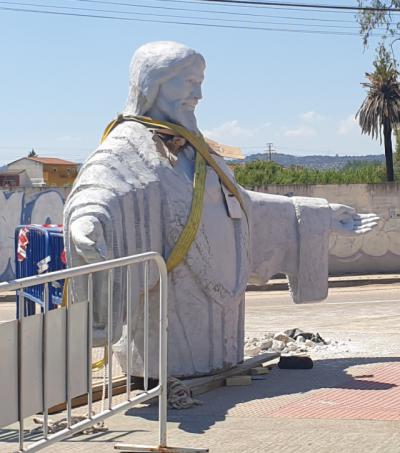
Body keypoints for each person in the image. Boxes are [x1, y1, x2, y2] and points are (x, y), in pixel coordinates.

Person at [64, 41, 378, 378]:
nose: (198, 94)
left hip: (220, 309)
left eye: (200, 82)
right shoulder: (127, 146)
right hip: (169, 305)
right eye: (188, 82)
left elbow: (243, 206)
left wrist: (320, 214)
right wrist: (88, 220)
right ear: (152, 84)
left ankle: (216, 365)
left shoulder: (198, 148)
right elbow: (96, 188)